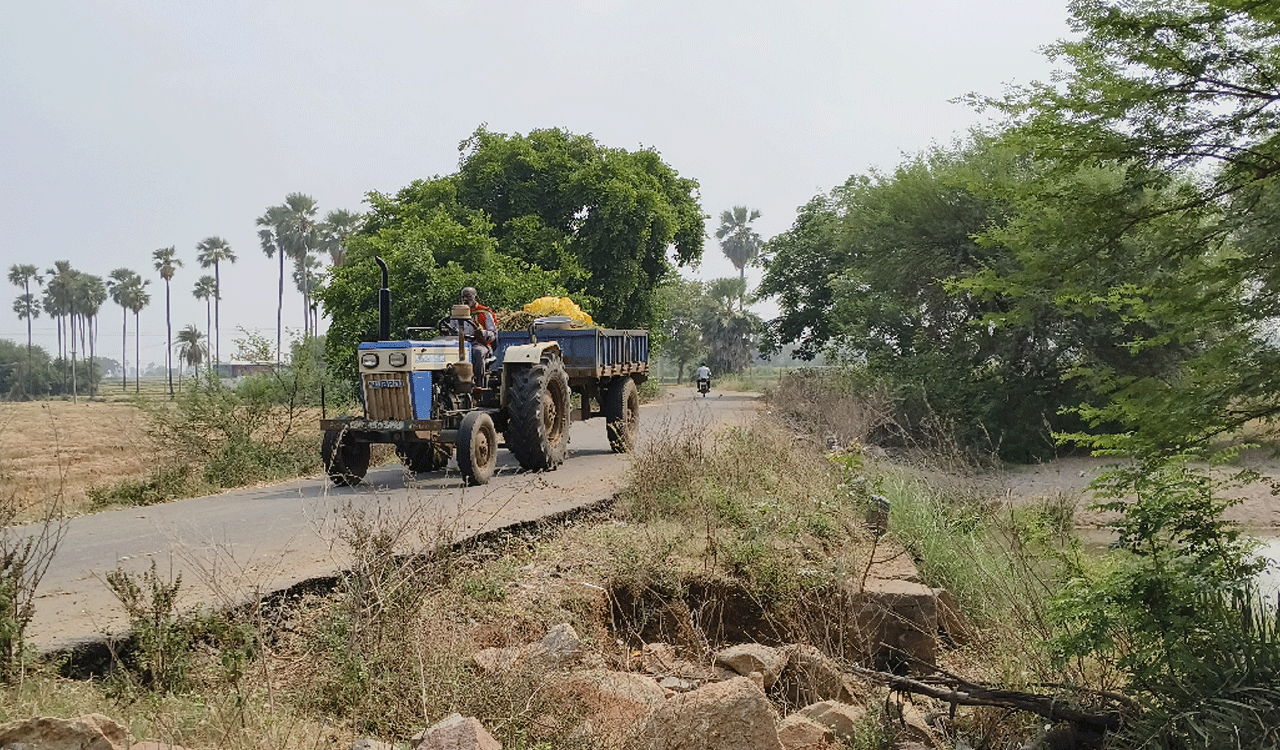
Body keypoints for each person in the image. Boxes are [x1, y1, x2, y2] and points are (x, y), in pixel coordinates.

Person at [461, 287, 497, 386]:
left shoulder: (484, 312)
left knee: (477, 352)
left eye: (468, 297)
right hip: (461, 344)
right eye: (463, 297)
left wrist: (483, 333)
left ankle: (478, 384)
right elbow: (451, 328)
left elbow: (493, 334)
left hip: (479, 344)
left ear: (475, 297)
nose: (465, 300)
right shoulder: (457, 313)